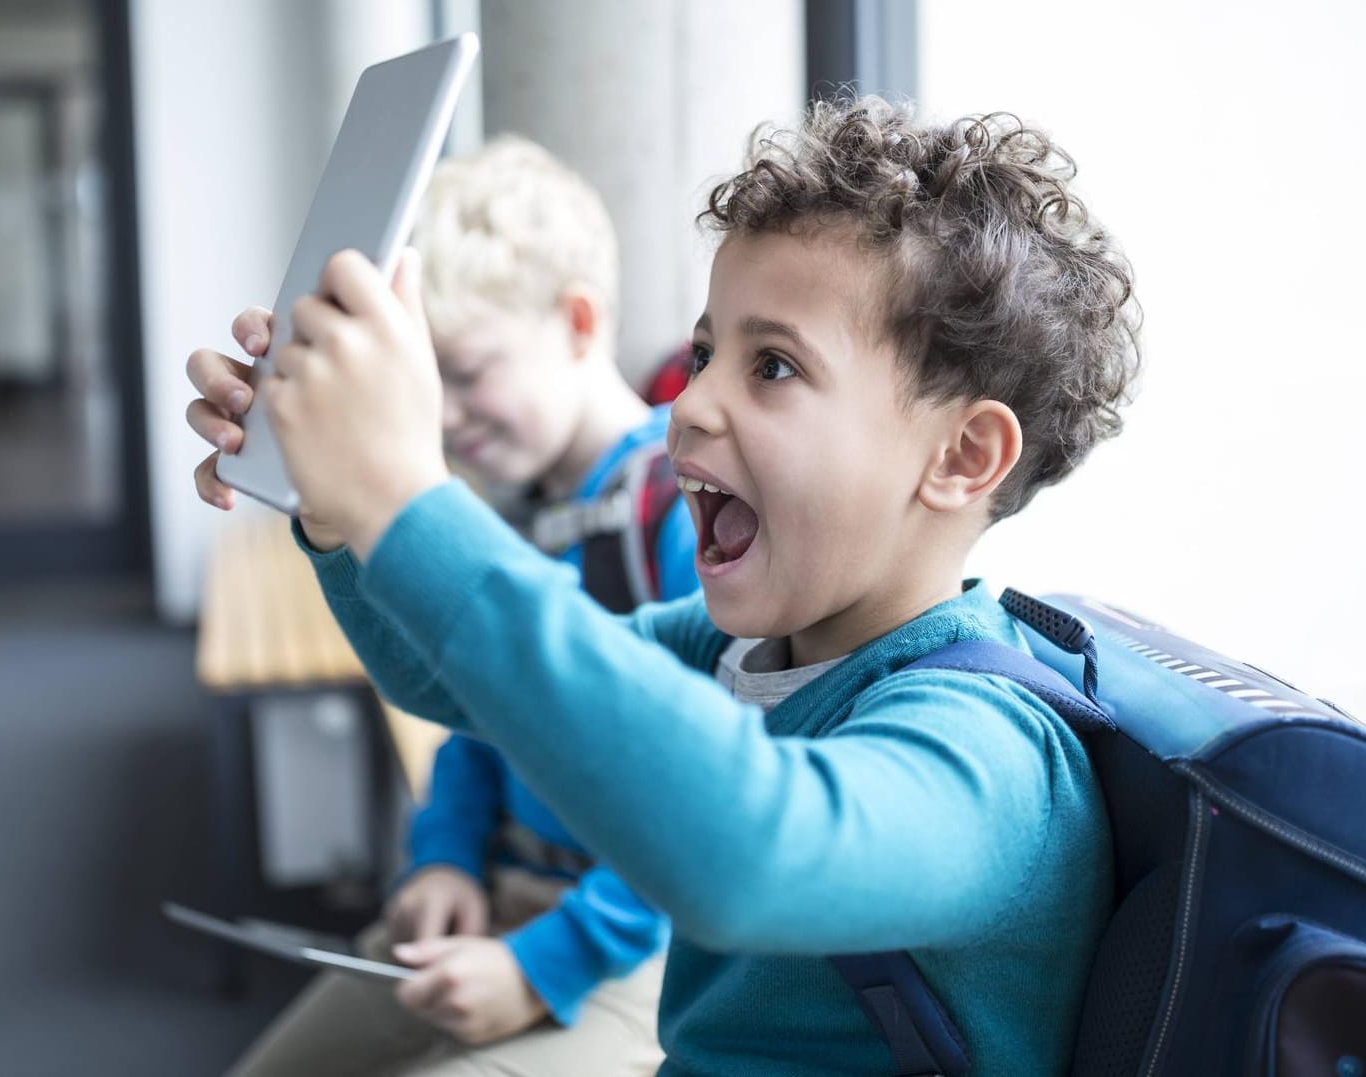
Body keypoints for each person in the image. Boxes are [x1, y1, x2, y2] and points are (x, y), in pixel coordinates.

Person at [189, 96, 1142, 1074]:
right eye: (702, 354)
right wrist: (340, 510)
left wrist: (405, 495)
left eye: (771, 365)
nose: (688, 404)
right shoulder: (740, 648)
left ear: (963, 455)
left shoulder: (990, 748)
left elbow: (750, 855)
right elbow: (445, 682)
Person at [193, 136, 697, 1076]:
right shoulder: (502, 505)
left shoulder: (680, 512)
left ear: (578, 322)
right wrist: (443, 858)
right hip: (503, 890)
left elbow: (705, 802)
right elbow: (481, 713)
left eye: (466, 371)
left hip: (636, 941)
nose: (446, 412)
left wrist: (543, 961)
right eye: (430, 381)